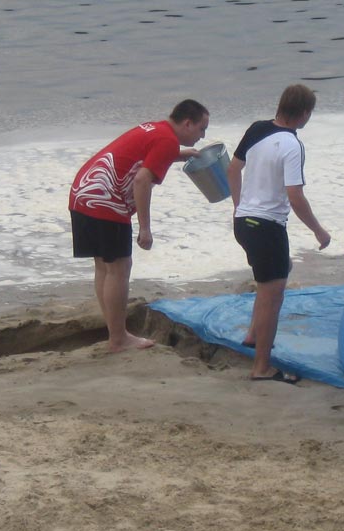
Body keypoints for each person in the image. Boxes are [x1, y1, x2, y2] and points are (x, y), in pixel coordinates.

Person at [69, 99, 211, 352]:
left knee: (104, 266)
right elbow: (142, 181)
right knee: (119, 268)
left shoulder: (156, 129)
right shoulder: (167, 140)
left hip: (82, 193)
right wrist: (145, 228)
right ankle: (118, 339)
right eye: (202, 129)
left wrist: (178, 155)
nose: (203, 135)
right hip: (105, 202)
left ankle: (115, 332)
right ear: (187, 123)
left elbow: (145, 154)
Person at [228, 83, 330, 383]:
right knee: (273, 295)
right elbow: (295, 196)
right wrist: (318, 231)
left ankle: (251, 334)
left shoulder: (257, 128)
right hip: (267, 226)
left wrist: (239, 206)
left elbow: (232, 170)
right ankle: (262, 367)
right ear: (304, 114)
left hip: (244, 223)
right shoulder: (291, 144)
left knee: (277, 271)